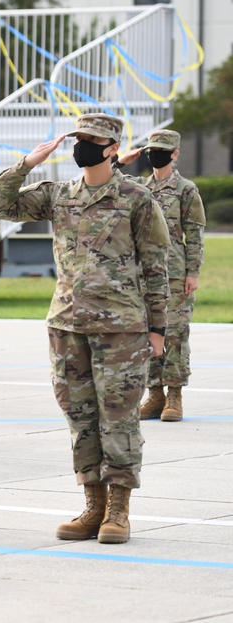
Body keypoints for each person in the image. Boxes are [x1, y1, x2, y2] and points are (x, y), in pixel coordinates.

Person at [0, 113, 170, 544]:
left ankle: (118, 512)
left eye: (91, 140)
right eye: (78, 139)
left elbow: (156, 266)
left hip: (121, 327)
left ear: (112, 148)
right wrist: (26, 164)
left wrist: (158, 328)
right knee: (80, 416)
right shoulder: (57, 194)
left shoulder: (136, 197)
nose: (81, 146)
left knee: (119, 417)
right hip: (68, 324)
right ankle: (92, 505)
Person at [118, 130, 206, 422]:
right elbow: (108, 184)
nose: (156, 155)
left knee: (176, 334)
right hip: (143, 273)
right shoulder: (139, 187)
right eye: (152, 150)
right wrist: (119, 162)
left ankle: (174, 396)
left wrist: (193, 271)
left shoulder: (186, 189)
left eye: (163, 150)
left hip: (175, 272)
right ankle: (154, 394)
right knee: (146, 333)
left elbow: (194, 234)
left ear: (175, 154)